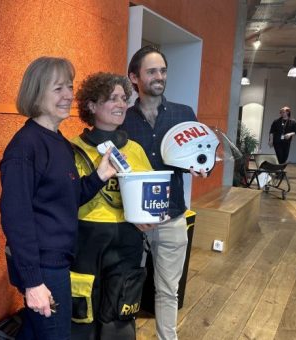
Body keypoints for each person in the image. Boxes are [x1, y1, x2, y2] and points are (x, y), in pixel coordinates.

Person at [0, 57, 117, 340]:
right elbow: (16, 218)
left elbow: (66, 198)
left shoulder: (59, 142)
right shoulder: (25, 147)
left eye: (70, 87)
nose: (68, 96)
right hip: (42, 267)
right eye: (58, 89)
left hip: (56, 261)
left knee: (36, 332)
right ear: (36, 93)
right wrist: (33, 283)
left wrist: (99, 176)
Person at [120, 45, 207, 340]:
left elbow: (195, 158)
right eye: (152, 71)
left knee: (168, 291)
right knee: (125, 285)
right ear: (134, 77)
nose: (160, 77)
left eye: (163, 70)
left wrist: (200, 167)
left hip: (172, 217)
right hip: (132, 221)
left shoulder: (184, 115)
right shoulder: (123, 120)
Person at [69, 72, 153, 340]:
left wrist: (151, 217)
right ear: (91, 106)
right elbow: (65, 198)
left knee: (120, 308)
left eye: (123, 99)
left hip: (126, 239)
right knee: (82, 308)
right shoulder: (72, 149)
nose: (121, 104)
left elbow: (150, 195)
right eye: (112, 99)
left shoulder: (136, 150)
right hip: (85, 240)